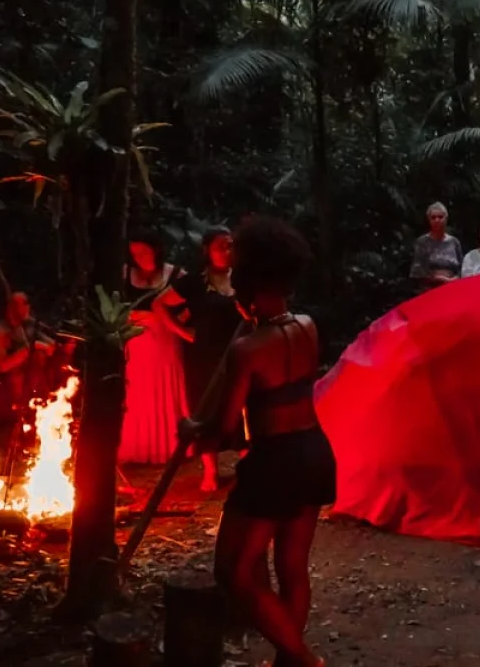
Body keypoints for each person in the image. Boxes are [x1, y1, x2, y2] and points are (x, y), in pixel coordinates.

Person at [179, 217, 333, 667]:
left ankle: (304, 660)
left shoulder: (246, 351)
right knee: (292, 569)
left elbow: (225, 428)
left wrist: (193, 429)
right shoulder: (308, 326)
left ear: (248, 284)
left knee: (233, 571)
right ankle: (290, 662)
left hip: (274, 463)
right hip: (314, 452)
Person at [155, 226, 245, 492]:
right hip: (204, 356)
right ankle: (210, 472)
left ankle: (247, 465)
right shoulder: (194, 283)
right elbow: (159, 305)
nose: (226, 251)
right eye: (220, 246)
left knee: (243, 405)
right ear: (207, 250)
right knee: (207, 409)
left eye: (230, 246)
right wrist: (184, 333)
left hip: (240, 351)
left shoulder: (241, 280)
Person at [119, 230, 188, 464]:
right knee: (138, 392)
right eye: (134, 252)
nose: (138, 255)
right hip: (136, 342)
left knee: (166, 388)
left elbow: (190, 306)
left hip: (165, 340)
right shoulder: (126, 274)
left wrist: (176, 324)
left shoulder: (175, 275)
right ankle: (137, 448)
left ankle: (170, 447)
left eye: (143, 251)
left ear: (156, 249)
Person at [0, 292, 55, 451]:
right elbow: (2, 366)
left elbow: (50, 347)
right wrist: (29, 350)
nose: (26, 307)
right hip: (5, 384)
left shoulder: (30, 327)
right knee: (16, 376)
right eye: (21, 304)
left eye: (26, 304)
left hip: (30, 387)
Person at [410, 202, 463, 288]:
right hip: (430, 289)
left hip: (453, 287)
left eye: (440, 217)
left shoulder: (454, 242)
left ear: (446, 219)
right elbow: (417, 272)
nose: (437, 220)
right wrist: (440, 279)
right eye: (433, 218)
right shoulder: (422, 242)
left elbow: (462, 268)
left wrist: (454, 279)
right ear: (429, 220)